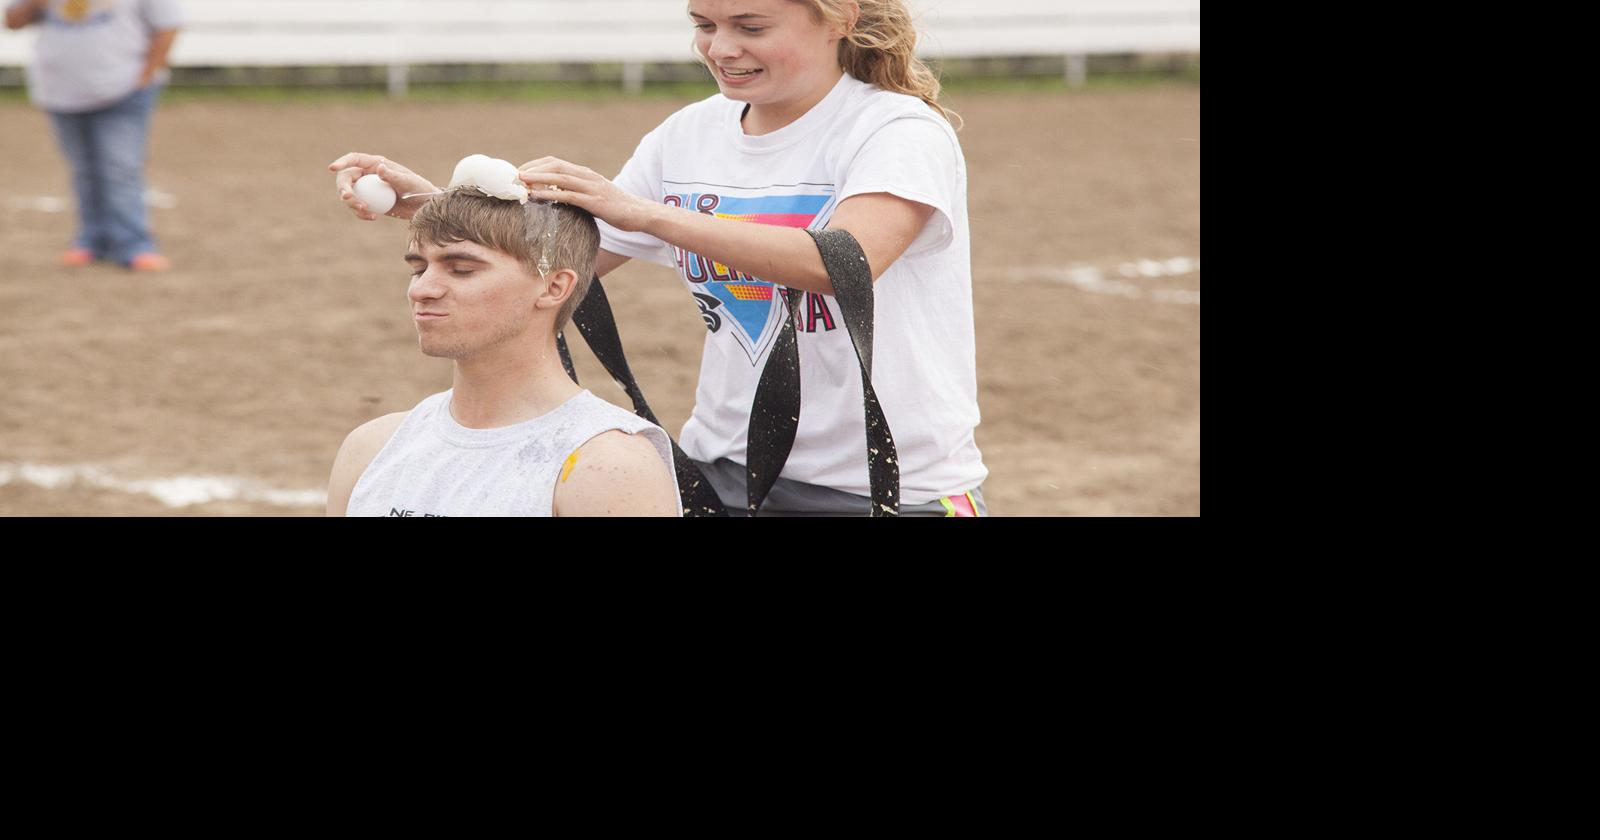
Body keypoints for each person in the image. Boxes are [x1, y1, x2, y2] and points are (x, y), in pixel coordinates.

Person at [330, 0, 987, 517]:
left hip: (886, 485)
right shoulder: (690, 134)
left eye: (750, 26)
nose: (722, 48)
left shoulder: (897, 130)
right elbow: (560, 264)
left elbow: (841, 262)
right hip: (722, 470)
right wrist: (434, 203)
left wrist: (644, 212)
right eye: (703, 24)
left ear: (840, 16)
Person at [326, 189, 682, 517]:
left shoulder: (606, 466)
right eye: (419, 269)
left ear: (553, 286)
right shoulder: (371, 448)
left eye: (462, 270)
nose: (422, 289)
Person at [4, 0, 183, 271]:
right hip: (61, 91)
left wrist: (146, 75)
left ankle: (133, 244)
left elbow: (168, 26)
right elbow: (12, 21)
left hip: (122, 90)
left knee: (120, 168)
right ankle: (92, 239)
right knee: (84, 169)